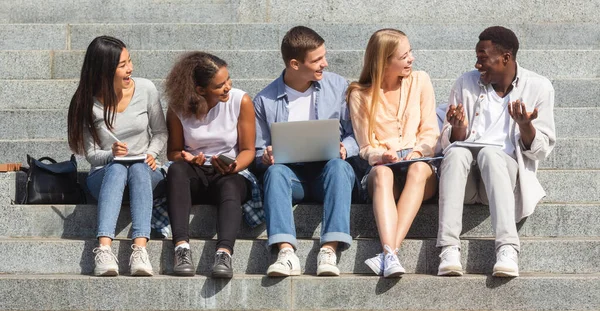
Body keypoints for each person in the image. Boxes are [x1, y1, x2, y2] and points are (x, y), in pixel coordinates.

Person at [436, 26, 556, 277]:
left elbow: (541, 151)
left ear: (506, 58)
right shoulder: (465, 83)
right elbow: (447, 144)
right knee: (457, 152)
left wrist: (526, 127)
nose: (477, 65)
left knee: (491, 154)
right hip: (466, 181)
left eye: (483, 58)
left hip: (505, 179)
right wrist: (457, 131)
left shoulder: (539, 87)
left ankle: (507, 249)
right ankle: (449, 248)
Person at [253, 26, 358, 277]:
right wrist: (265, 157)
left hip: (329, 174)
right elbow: (256, 153)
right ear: (295, 64)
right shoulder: (264, 100)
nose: (325, 63)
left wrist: (347, 147)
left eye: (324, 56)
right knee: (275, 172)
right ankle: (286, 252)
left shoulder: (338, 86)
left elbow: (357, 134)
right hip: (292, 178)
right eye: (317, 60)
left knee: (340, 166)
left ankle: (330, 250)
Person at [67, 36, 168, 276]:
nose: (130, 69)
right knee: (117, 168)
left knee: (138, 168)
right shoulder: (87, 103)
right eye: (122, 65)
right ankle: (103, 250)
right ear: (104, 70)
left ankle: (140, 250)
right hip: (104, 175)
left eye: (129, 61)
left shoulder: (146, 89)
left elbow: (161, 132)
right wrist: (111, 154)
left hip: (145, 171)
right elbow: (91, 155)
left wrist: (151, 154)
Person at [347, 29, 439, 278]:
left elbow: (431, 131)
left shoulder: (420, 81)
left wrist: (418, 151)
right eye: (404, 55)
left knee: (419, 168)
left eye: (410, 52)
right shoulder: (359, 94)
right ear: (385, 61)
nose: (411, 59)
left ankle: (389, 253)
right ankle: (390, 255)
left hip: (419, 163)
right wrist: (381, 156)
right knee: (382, 175)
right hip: (384, 166)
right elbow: (365, 146)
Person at [164, 52, 255, 278]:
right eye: (220, 85)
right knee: (176, 170)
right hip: (195, 172)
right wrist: (186, 157)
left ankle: (224, 253)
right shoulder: (178, 109)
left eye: (228, 80)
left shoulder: (240, 100)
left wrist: (234, 166)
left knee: (231, 185)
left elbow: (248, 150)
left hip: (229, 171)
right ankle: (181, 248)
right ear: (200, 90)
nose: (228, 87)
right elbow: (172, 152)